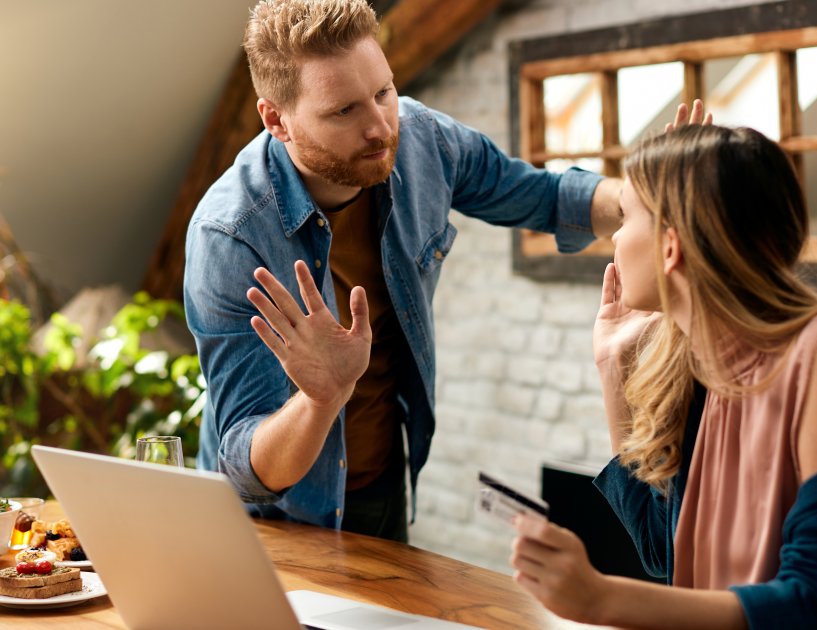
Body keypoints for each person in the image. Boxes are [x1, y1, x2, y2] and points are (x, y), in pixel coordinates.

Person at [183, 0, 706, 541]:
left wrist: (649, 198)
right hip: (272, 525)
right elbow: (246, 470)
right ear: (277, 120)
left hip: (380, 489)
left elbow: (545, 197)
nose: (380, 127)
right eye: (344, 111)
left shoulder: (422, 140)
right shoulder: (230, 236)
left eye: (383, 93)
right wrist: (322, 399)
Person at [509, 125, 817, 627]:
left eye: (625, 216)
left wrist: (601, 599)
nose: (615, 237)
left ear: (670, 246)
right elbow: (662, 552)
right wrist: (612, 366)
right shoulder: (700, 367)